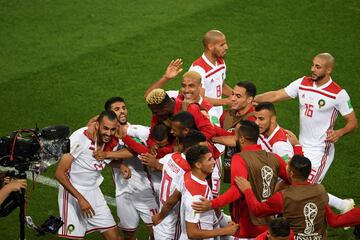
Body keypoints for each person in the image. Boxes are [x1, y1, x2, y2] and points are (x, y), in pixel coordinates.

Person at [254, 53, 358, 212]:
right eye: (312, 65)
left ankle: (341, 206)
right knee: (291, 182)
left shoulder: (338, 94)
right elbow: (276, 94)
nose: (313, 69)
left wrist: (339, 132)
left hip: (320, 151)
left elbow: (353, 122)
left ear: (329, 69)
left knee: (305, 189)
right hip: (301, 146)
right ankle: (342, 205)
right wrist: (253, 99)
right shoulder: (303, 82)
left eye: (318, 67)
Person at [192, 120, 290, 238]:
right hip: (268, 227)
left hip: (246, 228)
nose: (234, 138)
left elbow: (236, 191)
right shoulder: (275, 158)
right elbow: (293, 180)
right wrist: (275, 192)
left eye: (235, 135)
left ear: (242, 139)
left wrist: (212, 204)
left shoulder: (239, 158)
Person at [235, 155, 360, 239]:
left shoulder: (283, 197)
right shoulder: (320, 191)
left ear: (291, 173)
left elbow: (257, 210)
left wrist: (247, 190)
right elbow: (333, 221)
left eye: (288, 165)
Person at [55, 110, 122, 240]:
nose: (109, 133)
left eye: (112, 129)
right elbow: (59, 173)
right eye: (106, 128)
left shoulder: (111, 141)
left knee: (114, 237)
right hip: (72, 193)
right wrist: (80, 199)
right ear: (97, 125)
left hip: (94, 192)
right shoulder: (80, 137)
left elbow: (95, 162)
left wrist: (121, 165)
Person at [100, 96, 158, 240]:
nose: (122, 112)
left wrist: (108, 154)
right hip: (122, 191)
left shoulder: (136, 131)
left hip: (145, 191)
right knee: (128, 233)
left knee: (156, 232)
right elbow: (100, 158)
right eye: (117, 109)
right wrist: (119, 164)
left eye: (124, 108)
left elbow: (137, 150)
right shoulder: (106, 136)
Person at [151, 130, 207, 239]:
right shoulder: (189, 172)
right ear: (191, 149)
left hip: (161, 222)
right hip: (172, 227)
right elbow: (172, 201)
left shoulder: (171, 157)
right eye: (202, 149)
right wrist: (159, 217)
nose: (206, 151)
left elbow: (156, 167)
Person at [179, 145, 238, 239]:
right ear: (198, 165)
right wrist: (225, 231)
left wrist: (223, 224)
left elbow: (173, 198)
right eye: (209, 159)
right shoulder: (195, 198)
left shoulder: (189, 176)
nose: (214, 162)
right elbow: (192, 233)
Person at [189, 29, 232, 126]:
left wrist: (238, 97)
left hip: (218, 114)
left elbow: (222, 86)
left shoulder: (221, 62)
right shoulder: (198, 69)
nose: (226, 47)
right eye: (222, 45)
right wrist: (225, 101)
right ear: (210, 46)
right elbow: (198, 98)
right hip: (204, 117)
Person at [146, 88, 216, 141]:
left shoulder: (191, 109)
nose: (153, 114)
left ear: (165, 108)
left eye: (155, 112)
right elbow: (152, 136)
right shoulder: (159, 114)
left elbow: (209, 131)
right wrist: (153, 145)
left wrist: (190, 142)